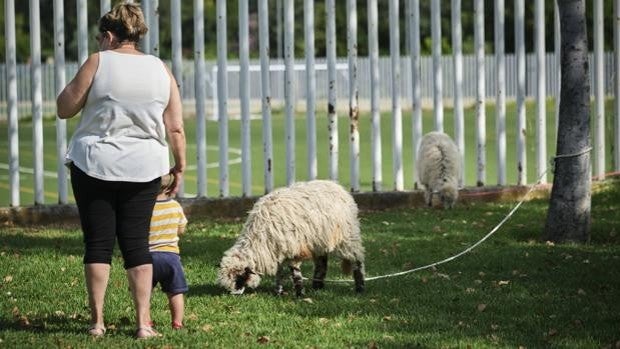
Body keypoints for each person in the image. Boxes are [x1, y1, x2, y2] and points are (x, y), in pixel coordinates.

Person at [56, 2, 185, 339]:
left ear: (109, 36)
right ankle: (143, 323)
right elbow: (175, 127)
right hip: (145, 166)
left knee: (97, 244)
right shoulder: (161, 68)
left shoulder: (98, 61)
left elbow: (64, 107)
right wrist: (180, 165)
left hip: (93, 163)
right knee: (137, 245)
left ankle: (97, 322)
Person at [148, 174, 188, 330]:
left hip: (147, 257)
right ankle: (177, 322)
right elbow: (181, 228)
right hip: (171, 257)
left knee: (145, 292)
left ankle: (146, 321)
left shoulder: (144, 207)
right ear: (170, 186)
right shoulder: (175, 206)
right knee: (175, 292)